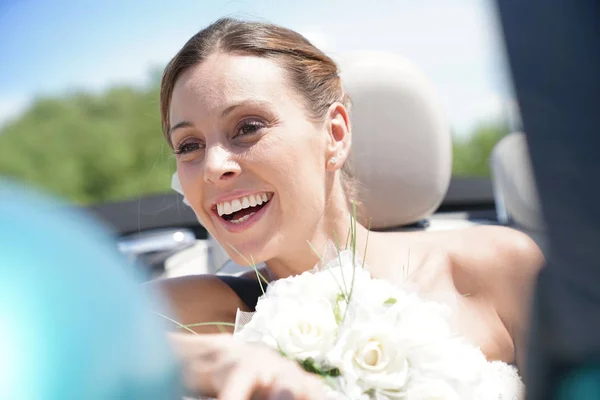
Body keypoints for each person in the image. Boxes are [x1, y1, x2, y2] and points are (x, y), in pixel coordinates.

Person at [155, 17, 545, 398]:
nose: (213, 167)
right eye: (189, 145)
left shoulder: (497, 266)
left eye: (248, 127)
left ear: (335, 135)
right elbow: (93, 337)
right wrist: (207, 359)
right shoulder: (203, 312)